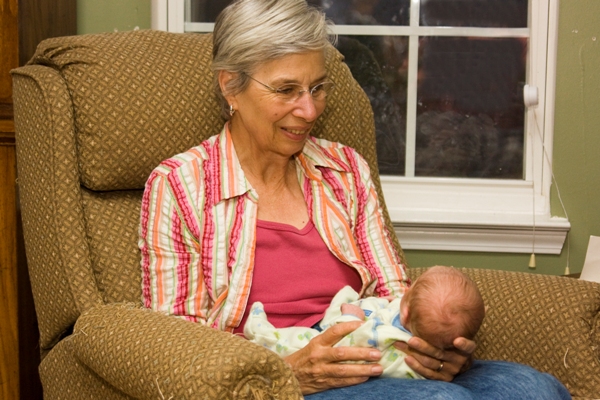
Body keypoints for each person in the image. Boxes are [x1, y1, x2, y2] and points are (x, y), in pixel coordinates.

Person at [138, 0, 571, 397]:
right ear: (231, 86)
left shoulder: (344, 169)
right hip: (279, 378)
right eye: (286, 90)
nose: (310, 110)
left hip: (379, 351)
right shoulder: (180, 185)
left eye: (318, 87)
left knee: (535, 390)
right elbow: (178, 345)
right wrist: (285, 373)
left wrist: (432, 349)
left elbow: (392, 290)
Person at [244, 266, 485, 380]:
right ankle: (263, 343)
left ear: (406, 312)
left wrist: (351, 316)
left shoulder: (384, 336)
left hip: (343, 340)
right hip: (307, 361)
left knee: (511, 381)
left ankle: (262, 334)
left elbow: (355, 338)